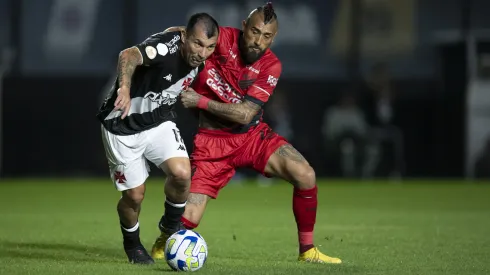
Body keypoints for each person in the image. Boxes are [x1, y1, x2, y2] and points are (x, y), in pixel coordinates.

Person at [151, 3, 342, 264]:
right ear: (244, 27)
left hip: (252, 137)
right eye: (254, 32)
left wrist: (200, 101)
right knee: (189, 218)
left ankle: (307, 251)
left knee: (305, 174)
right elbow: (189, 36)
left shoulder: (271, 65)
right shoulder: (221, 39)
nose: (258, 41)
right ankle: (166, 237)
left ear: (273, 38)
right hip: (212, 143)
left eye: (266, 36)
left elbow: (245, 114)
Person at [96, 13, 219, 264]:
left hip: (158, 121)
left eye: (209, 47)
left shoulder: (201, 52)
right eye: (197, 44)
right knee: (135, 196)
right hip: (122, 124)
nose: (202, 53)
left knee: (182, 173)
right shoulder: (165, 47)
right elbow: (128, 55)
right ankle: (132, 246)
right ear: (184, 37)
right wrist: (125, 87)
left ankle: (170, 229)